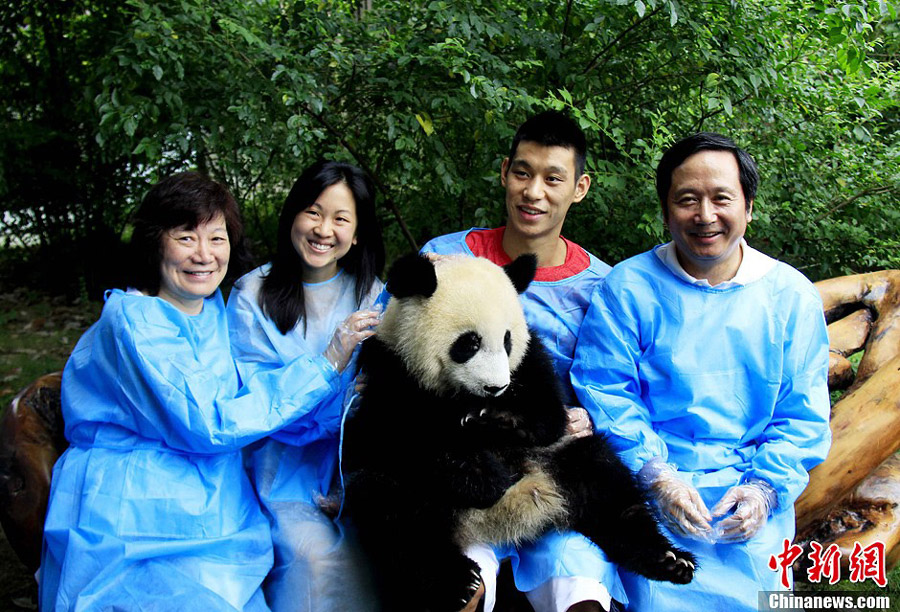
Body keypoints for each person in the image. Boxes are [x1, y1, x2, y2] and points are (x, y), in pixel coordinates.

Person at [39, 172, 370, 611]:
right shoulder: (135, 319)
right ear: (156, 242)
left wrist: (349, 397)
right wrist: (328, 362)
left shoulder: (212, 309)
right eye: (185, 237)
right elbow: (209, 422)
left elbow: (256, 398)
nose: (203, 255)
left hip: (217, 500)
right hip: (136, 507)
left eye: (216, 238)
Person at [571, 132, 832, 610]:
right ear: (667, 211)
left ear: (748, 207)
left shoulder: (790, 296)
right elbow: (606, 390)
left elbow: (801, 415)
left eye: (721, 198)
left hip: (746, 490)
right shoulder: (628, 287)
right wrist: (656, 474)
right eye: (687, 200)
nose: (705, 215)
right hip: (647, 485)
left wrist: (764, 489)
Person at [422, 110, 623, 612]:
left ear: (579, 187)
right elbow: (400, 361)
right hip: (457, 466)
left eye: (553, 178)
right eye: (523, 173)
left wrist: (592, 417)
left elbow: (619, 387)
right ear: (505, 171)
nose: (534, 191)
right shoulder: (446, 259)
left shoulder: (603, 287)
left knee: (582, 593)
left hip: (553, 470)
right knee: (456, 587)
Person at [225, 160, 385, 612]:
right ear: (293, 215)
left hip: (356, 465)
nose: (323, 229)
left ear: (356, 234)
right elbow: (257, 404)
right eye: (313, 212)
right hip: (281, 467)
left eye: (340, 219)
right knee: (313, 559)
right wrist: (331, 361)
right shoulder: (251, 294)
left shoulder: (373, 294)